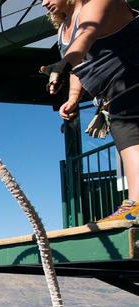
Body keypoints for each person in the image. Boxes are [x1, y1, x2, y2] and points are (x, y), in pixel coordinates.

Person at [41, 0, 139, 221]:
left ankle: (136, 205)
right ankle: (135, 205)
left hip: (132, 79)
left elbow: (86, 36)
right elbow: (80, 65)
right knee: (128, 141)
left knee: (132, 139)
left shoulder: (98, 2)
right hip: (115, 95)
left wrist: (63, 63)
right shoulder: (63, 29)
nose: (44, 3)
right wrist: (73, 97)